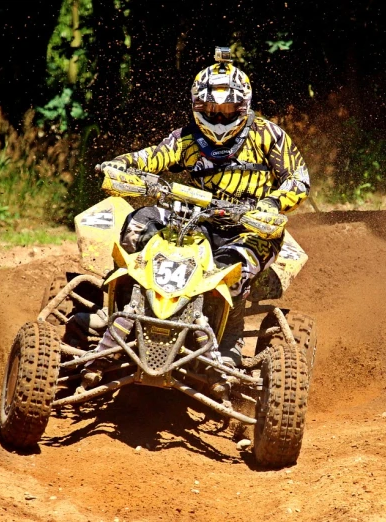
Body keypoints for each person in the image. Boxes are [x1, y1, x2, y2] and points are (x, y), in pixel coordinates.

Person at [97, 47, 310, 367]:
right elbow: (151, 157)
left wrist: (271, 202)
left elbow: (298, 179)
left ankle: (231, 340)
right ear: (197, 107)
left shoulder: (269, 135)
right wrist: (119, 165)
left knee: (235, 270)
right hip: (192, 218)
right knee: (136, 225)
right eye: (211, 108)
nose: (219, 115)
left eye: (227, 109)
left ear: (243, 106)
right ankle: (119, 306)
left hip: (249, 226)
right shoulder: (187, 137)